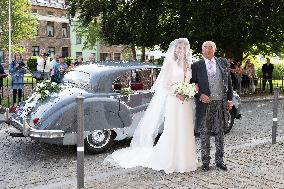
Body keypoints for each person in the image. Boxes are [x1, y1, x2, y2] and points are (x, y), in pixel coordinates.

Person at [104, 38, 197, 174]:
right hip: (174, 100)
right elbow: (166, 84)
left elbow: (190, 82)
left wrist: (189, 90)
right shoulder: (170, 64)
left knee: (185, 129)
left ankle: (186, 160)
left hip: (186, 103)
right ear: (175, 49)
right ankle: (171, 160)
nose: (181, 50)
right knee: (173, 129)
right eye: (179, 47)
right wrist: (177, 93)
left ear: (187, 49)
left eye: (183, 47)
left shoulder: (189, 65)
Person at [191, 41, 233, 171]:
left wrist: (230, 99)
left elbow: (229, 82)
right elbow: (191, 85)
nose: (208, 49)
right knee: (205, 133)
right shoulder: (196, 65)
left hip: (220, 102)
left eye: (211, 47)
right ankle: (205, 162)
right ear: (202, 50)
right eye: (205, 47)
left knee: (220, 132)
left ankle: (220, 160)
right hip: (205, 105)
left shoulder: (223, 62)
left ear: (215, 49)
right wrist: (199, 95)